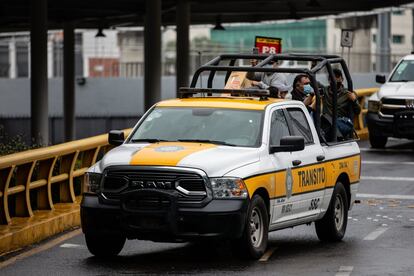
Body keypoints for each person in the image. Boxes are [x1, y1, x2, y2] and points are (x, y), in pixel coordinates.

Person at [323, 68, 361, 138]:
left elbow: (357, 111)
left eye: (337, 77)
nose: (335, 79)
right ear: (329, 80)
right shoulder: (325, 90)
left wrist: (354, 100)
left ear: (342, 79)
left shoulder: (348, 93)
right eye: (332, 78)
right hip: (327, 125)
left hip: (340, 125)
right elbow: (312, 82)